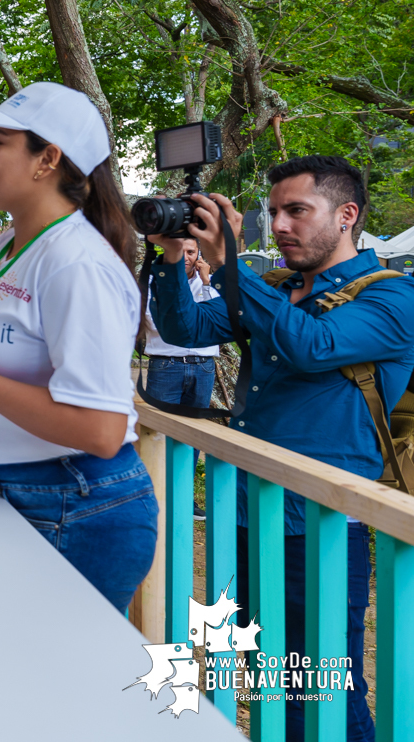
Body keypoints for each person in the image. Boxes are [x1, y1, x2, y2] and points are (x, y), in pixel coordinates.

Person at [151, 155, 414, 742]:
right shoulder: (277, 288)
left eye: (297, 210)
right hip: (250, 505)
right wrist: (171, 255)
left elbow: (312, 347)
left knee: (322, 687)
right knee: (271, 673)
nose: (280, 226)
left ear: (346, 216)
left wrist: (228, 265)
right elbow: (186, 330)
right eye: (273, 213)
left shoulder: (395, 298)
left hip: (321, 520)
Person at [0, 81, 155, 612]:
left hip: (75, 503)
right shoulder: (8, 244)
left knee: (56, 686)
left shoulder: (77, 264)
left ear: (47, 160)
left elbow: (101, 430)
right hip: (15, 486)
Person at [140, 237, 218, 412]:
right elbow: (153, 323)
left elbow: (216, 320)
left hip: (203, 367)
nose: (185, 257)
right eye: (179, 251)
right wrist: (197, 322)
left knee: (197, 429)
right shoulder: (153, 283)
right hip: (166, 366)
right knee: (161, 429)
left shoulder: (211, 283)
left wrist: (206, 283)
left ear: (199, 255)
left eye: (190, 252)